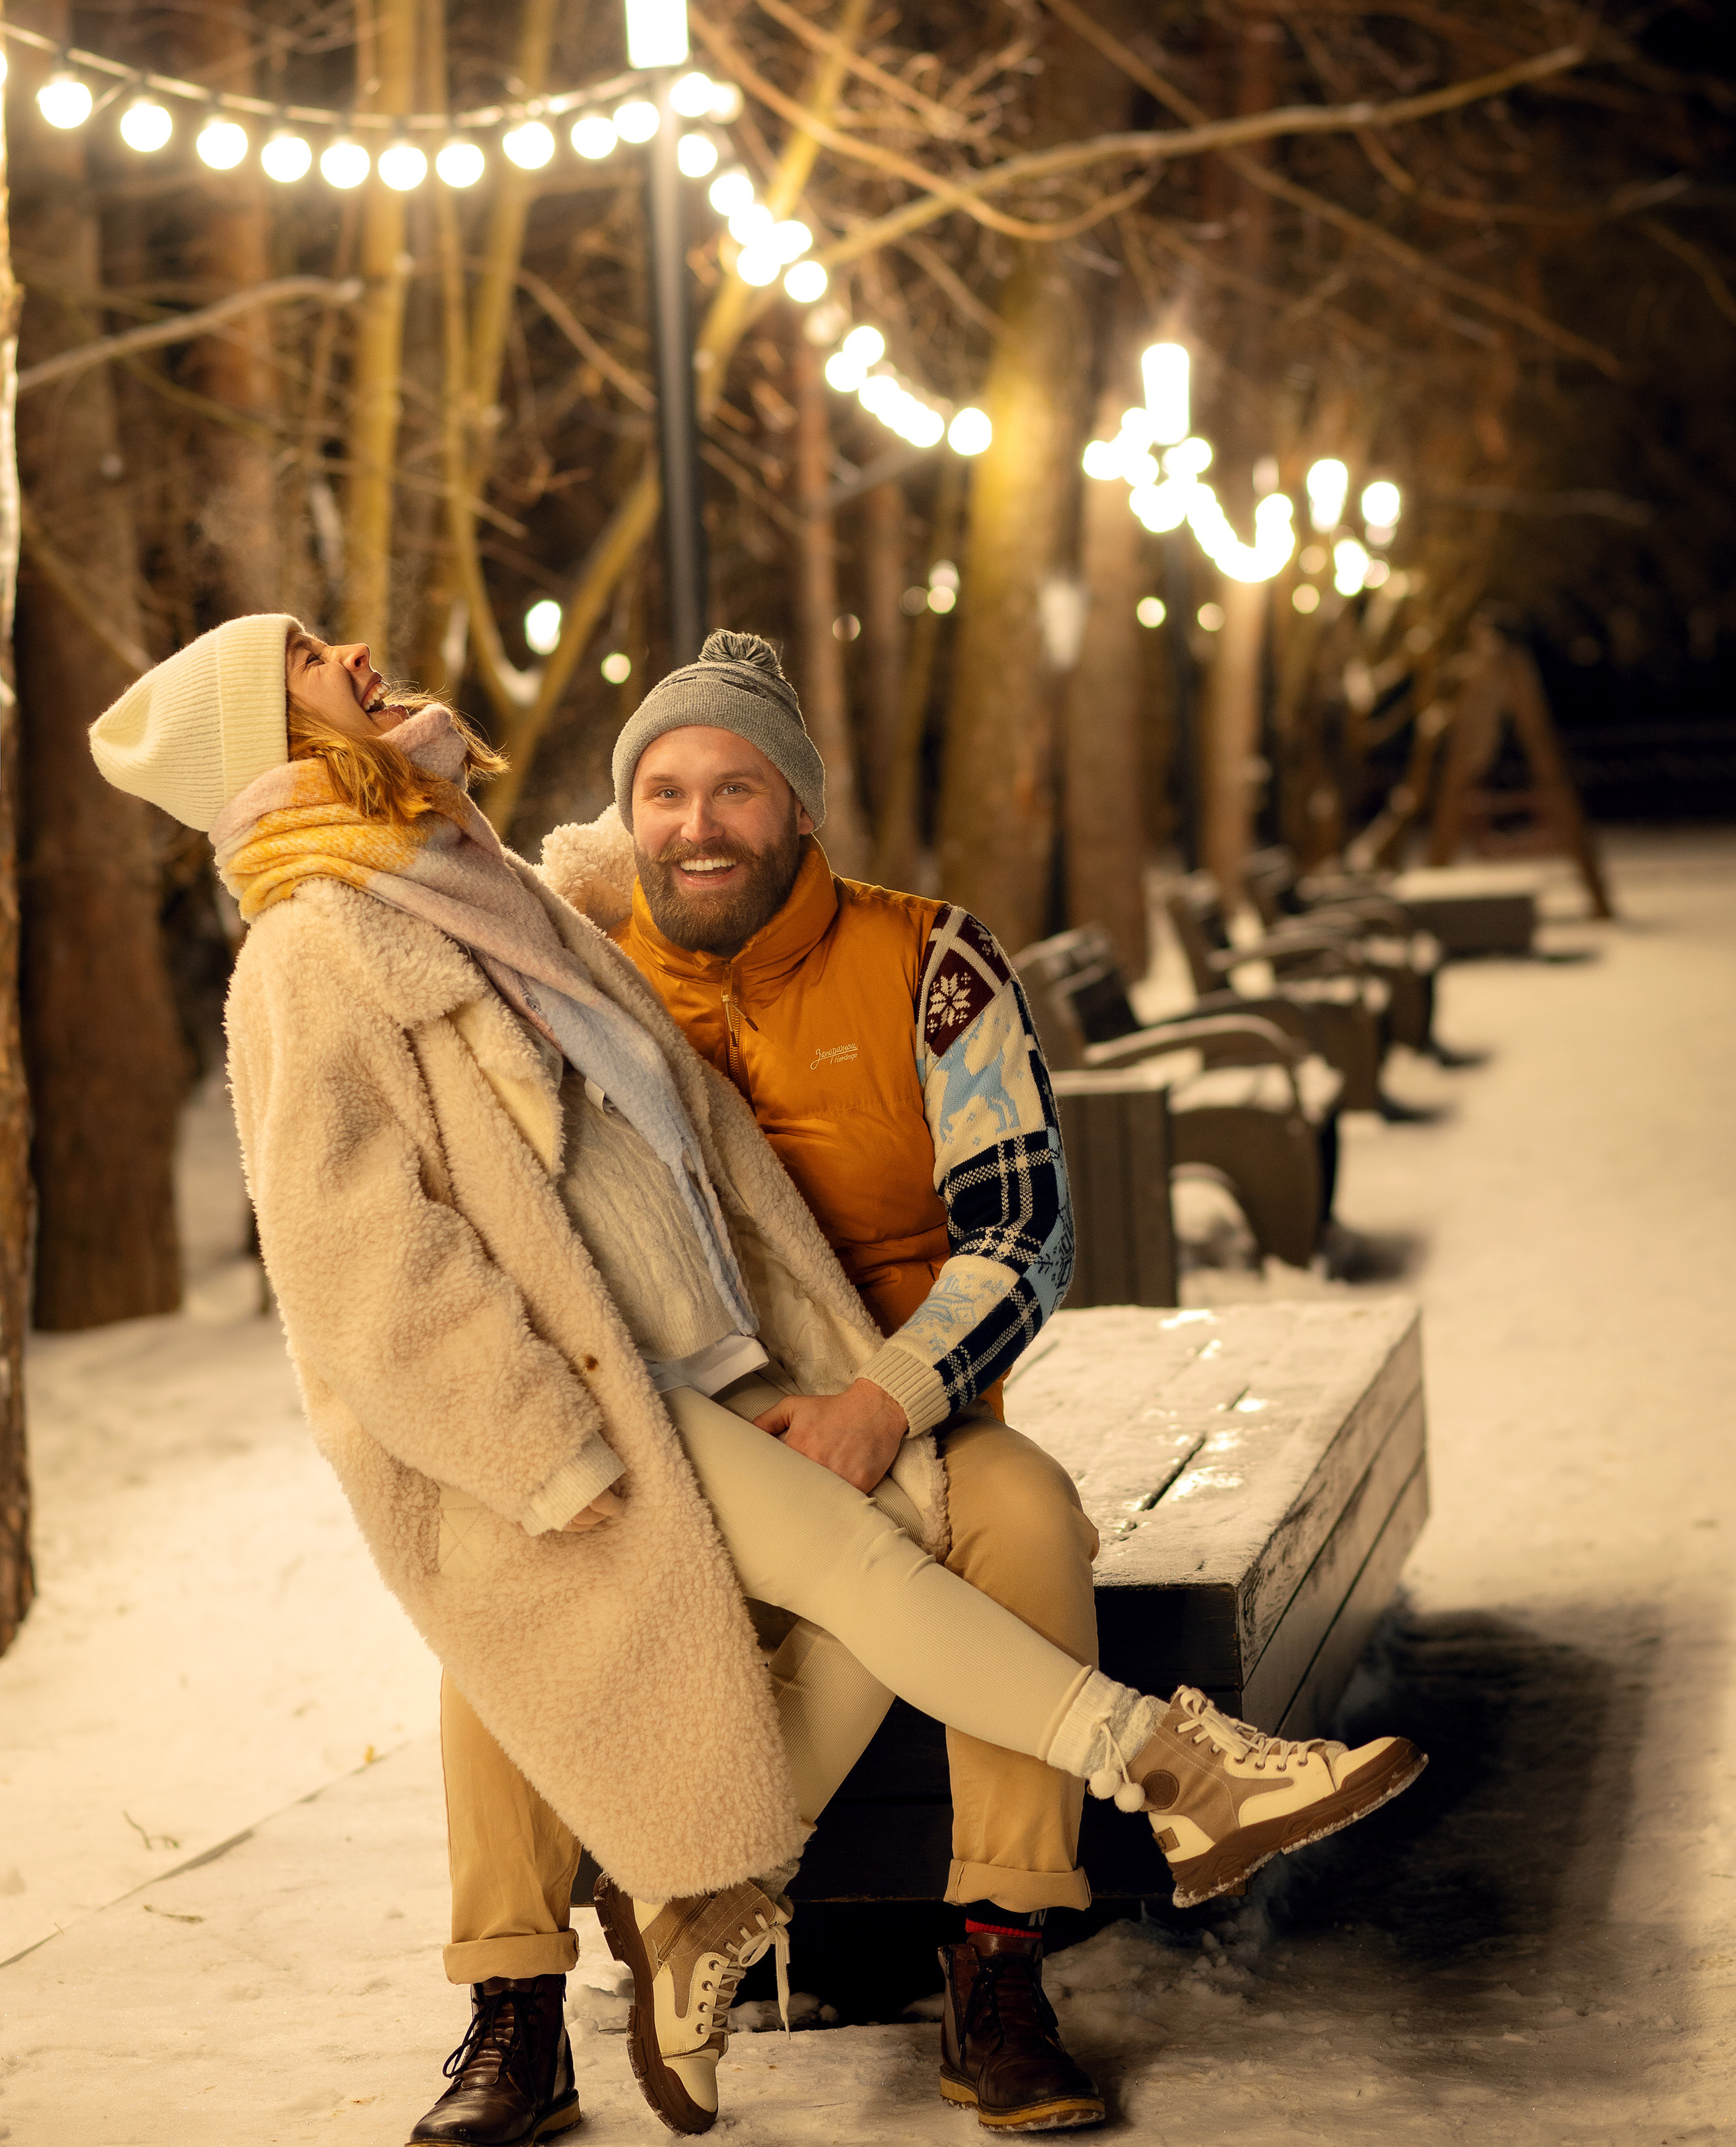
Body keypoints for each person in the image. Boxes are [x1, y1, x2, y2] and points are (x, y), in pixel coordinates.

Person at [88, 617, 1424, 2147]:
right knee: (542, 1613)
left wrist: (881, 1388)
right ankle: (1163, 1773)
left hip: (746, 1374)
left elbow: (997, 1213)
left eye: (737, 787)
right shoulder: (316, 944)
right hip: (587, 1407)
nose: (362, 647)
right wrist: (542, 1450)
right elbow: (357, 1259)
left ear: (799, 802)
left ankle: (774, 1917)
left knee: (940, 1524)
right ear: (274, 736)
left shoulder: (475, 882)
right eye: (316, 656)